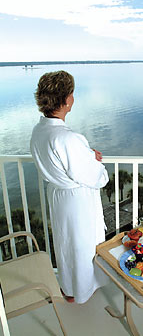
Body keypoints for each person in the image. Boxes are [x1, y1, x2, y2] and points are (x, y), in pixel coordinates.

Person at [30, 70, 109, 304]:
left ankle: (69, 288)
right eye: (72, 94)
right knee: (82, 246)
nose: (73, 98)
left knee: (66, 244)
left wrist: (85, 155)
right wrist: (94, 160)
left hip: (58, 196)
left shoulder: (40, 130)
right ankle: (83, 291)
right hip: (77, 202)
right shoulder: (68, 139)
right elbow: (97, 177)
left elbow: (65, 163)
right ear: (65, 100)